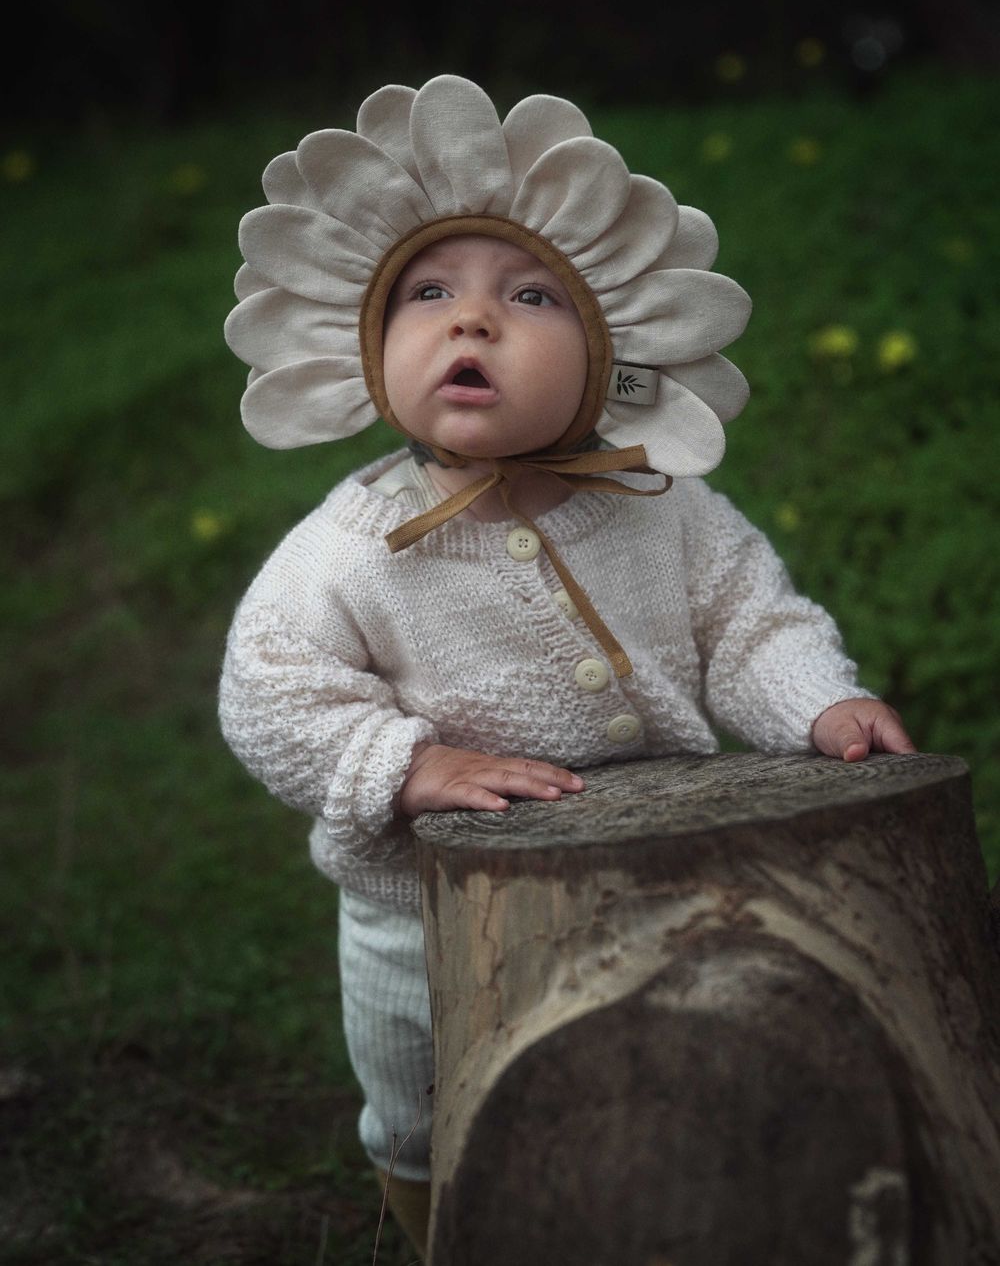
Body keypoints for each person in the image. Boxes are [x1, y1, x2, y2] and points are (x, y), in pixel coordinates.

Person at [218, 75, 914, 1259]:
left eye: (528, 296)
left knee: (653, 1056)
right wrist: (407, 761)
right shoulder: (351, 545)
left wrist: (818, 699)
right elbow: (270, 688)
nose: (470, 322)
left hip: (658, 849)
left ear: (609, 359)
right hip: (428, 904)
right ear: (369, 349)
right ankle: (438, 1224)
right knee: (425, 1094)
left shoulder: (664, 506)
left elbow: (748, 620)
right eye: (428, 294)